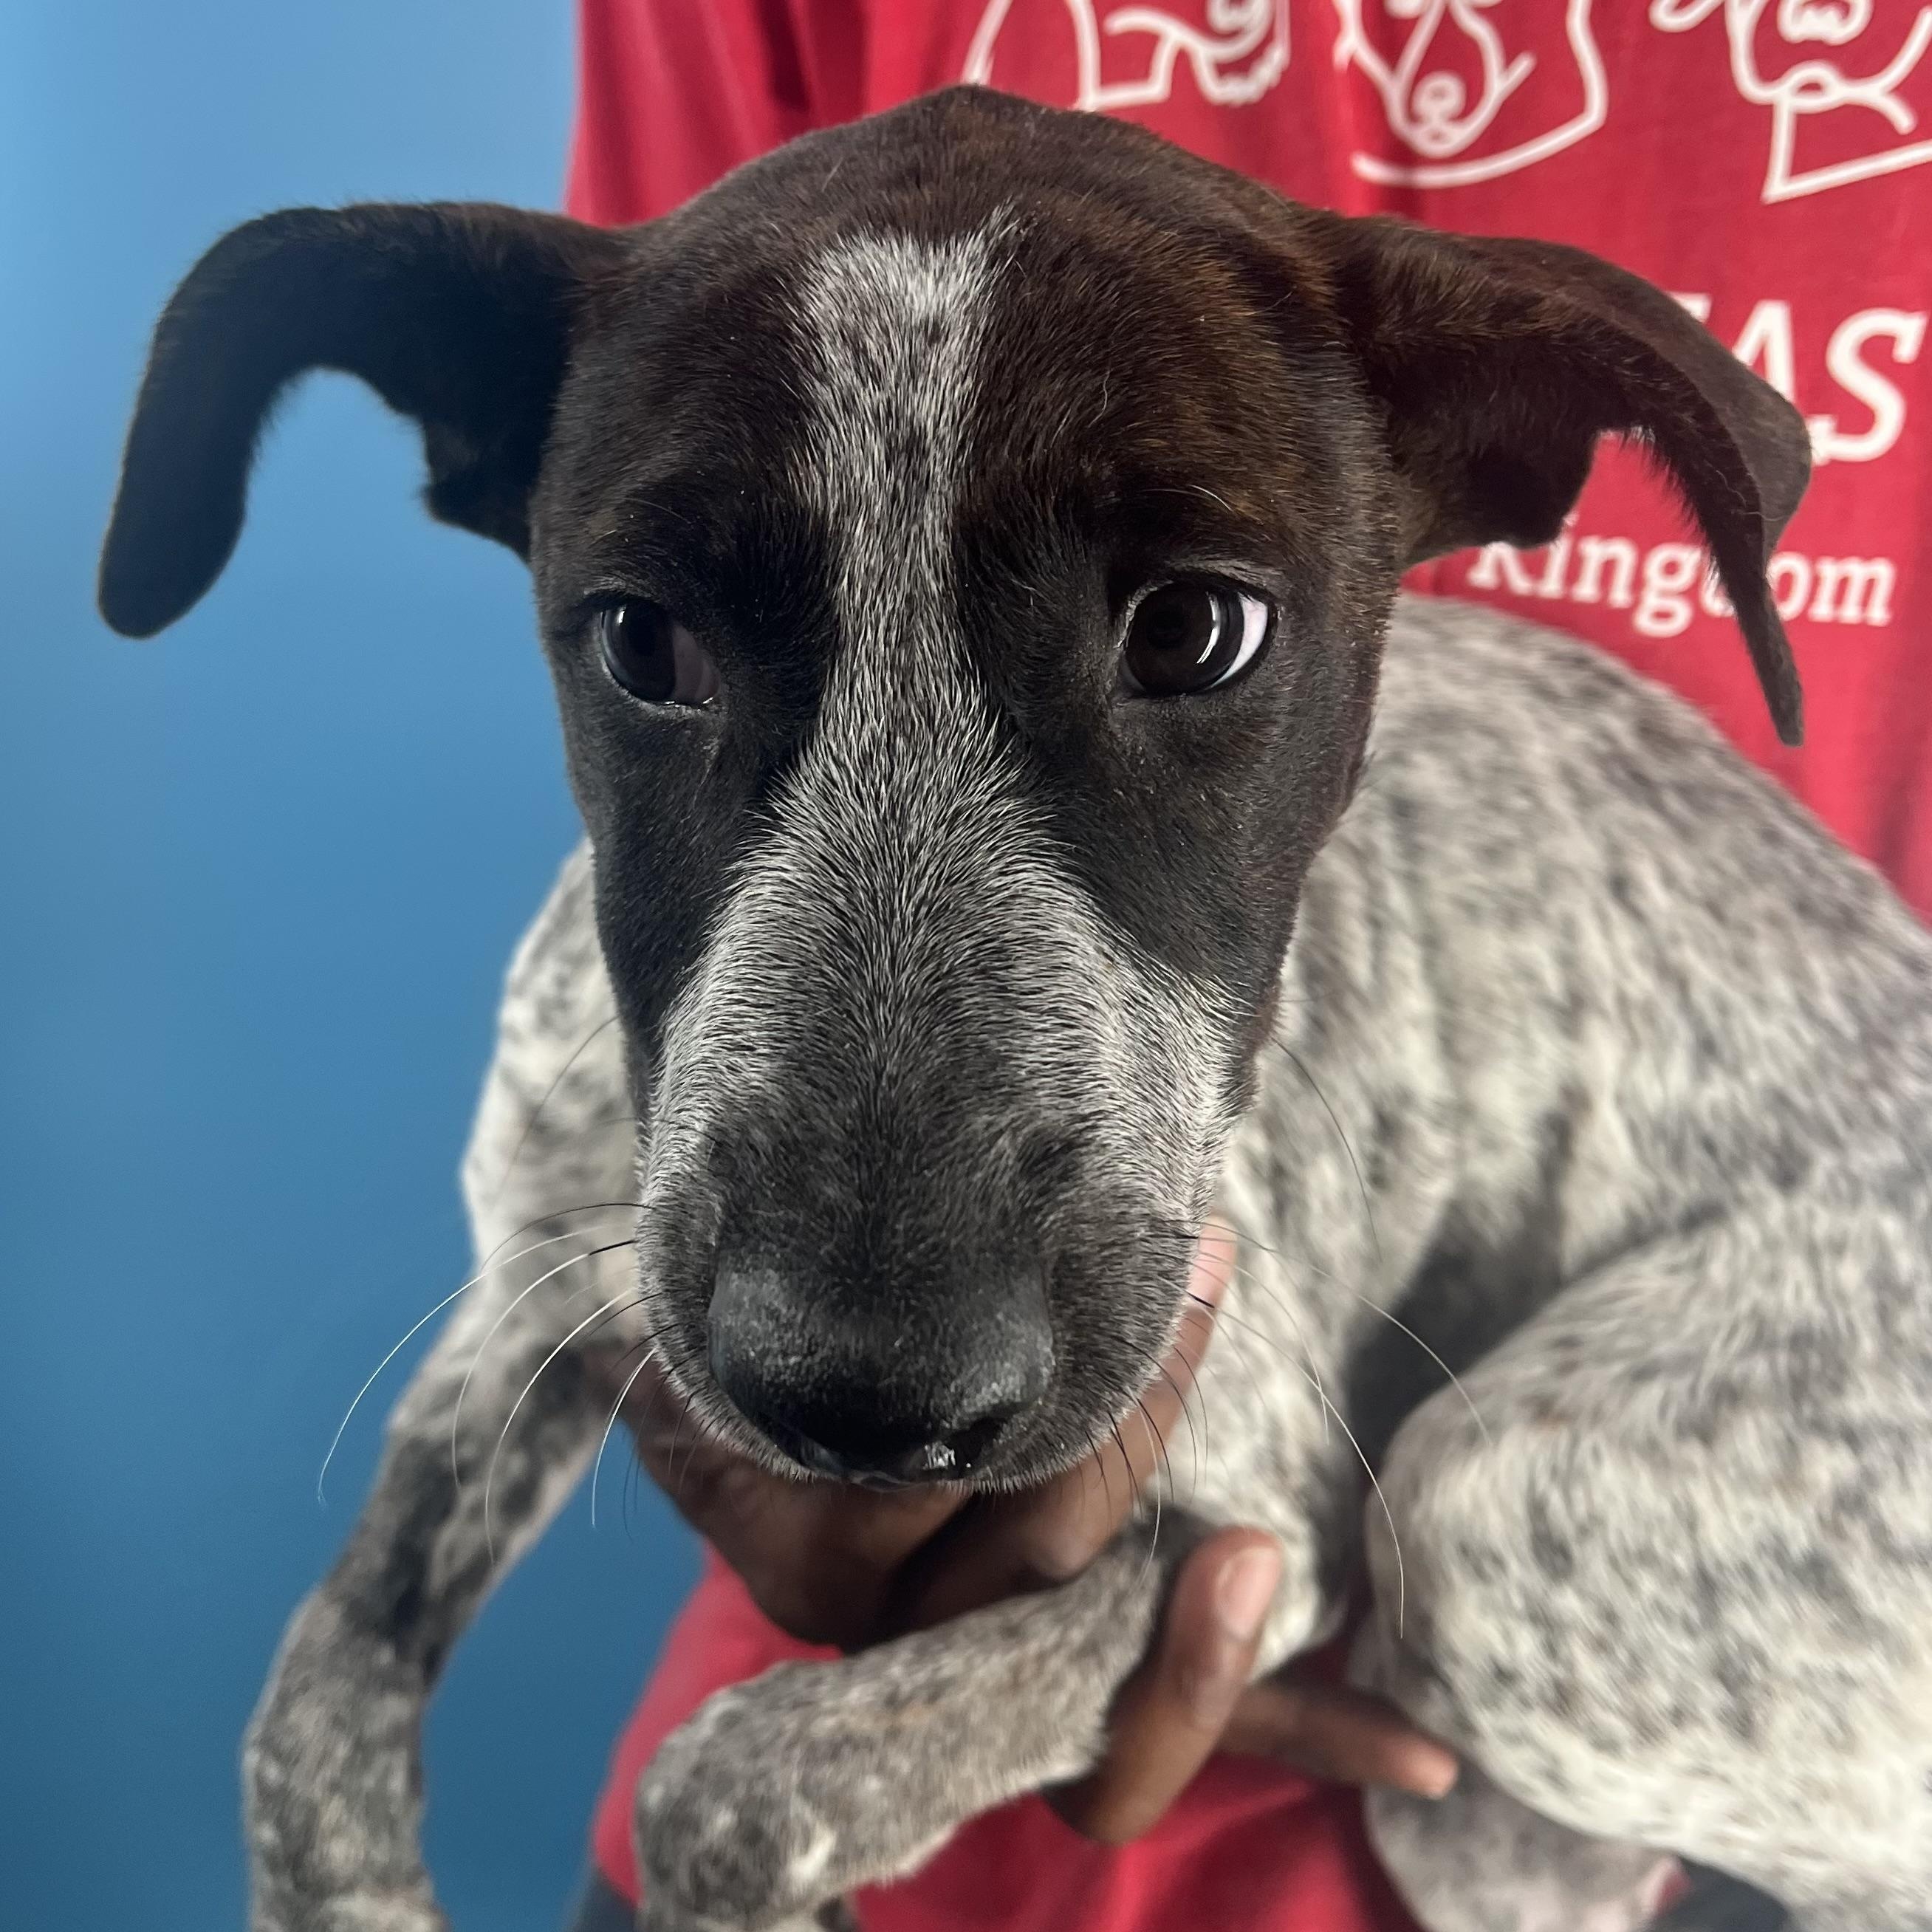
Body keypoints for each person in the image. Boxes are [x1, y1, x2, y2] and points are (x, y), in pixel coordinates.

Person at [558, 6, 1932, 1928]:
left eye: (1192, 629)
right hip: (864, 1750)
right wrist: (784, 1473)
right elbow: (663, 538)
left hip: (1725, 1735)